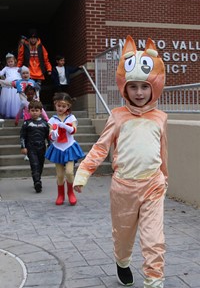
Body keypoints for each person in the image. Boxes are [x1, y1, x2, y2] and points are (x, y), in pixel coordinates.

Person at [73, 36, 168, 288]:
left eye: (145, 86)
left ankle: (154, 280)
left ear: (154, 86)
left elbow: (162, 151)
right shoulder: (117, 116)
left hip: (153, 186)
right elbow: (100, 147)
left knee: (153, 239)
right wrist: (84, 172)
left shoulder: (161, 118)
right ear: (124, 87)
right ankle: (122, 261)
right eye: (133, 86)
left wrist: (165, 177)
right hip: (123, 188)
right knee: (123, 235)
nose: (139, 92)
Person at [45, 92, 85, 206]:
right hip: (58, 148)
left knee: (69, 172)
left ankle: (71, 193)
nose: (61, 108)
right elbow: (50, 134)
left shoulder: (71, 117)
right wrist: (53, 134)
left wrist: (65, 126)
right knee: (60, 174)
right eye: (59, 106)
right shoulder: (52, 120)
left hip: (69, 147)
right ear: (55, 105)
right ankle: (60, 195)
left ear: (68, 106)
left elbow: (73, 130)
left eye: (63, 106)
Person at [20, 100, 50, 193]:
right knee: (34, 165)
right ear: (29, 111)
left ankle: (38, 179)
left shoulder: (45, 123)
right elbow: (22, 136)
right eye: (32, 110)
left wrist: (50, 145)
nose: (34, 112)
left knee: (40, 165)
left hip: (41, 147)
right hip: (31, 147)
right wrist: (23, 147)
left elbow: (48, 136)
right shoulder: (26, 123)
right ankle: (37, 182)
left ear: (41, 111)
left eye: (36, 110)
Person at [0, 53, 21, 118]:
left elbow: (22, 75)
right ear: (7, 62)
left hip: (16, 85)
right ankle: (8, 113)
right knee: (8, 99)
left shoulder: (18, 68)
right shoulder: (6, 68)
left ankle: (16, 113)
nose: (10, 63)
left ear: (15, 61)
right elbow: (0, 73)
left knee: (16, 99)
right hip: (8, 86)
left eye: (11, 61)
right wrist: (3, 78)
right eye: (8, 62)